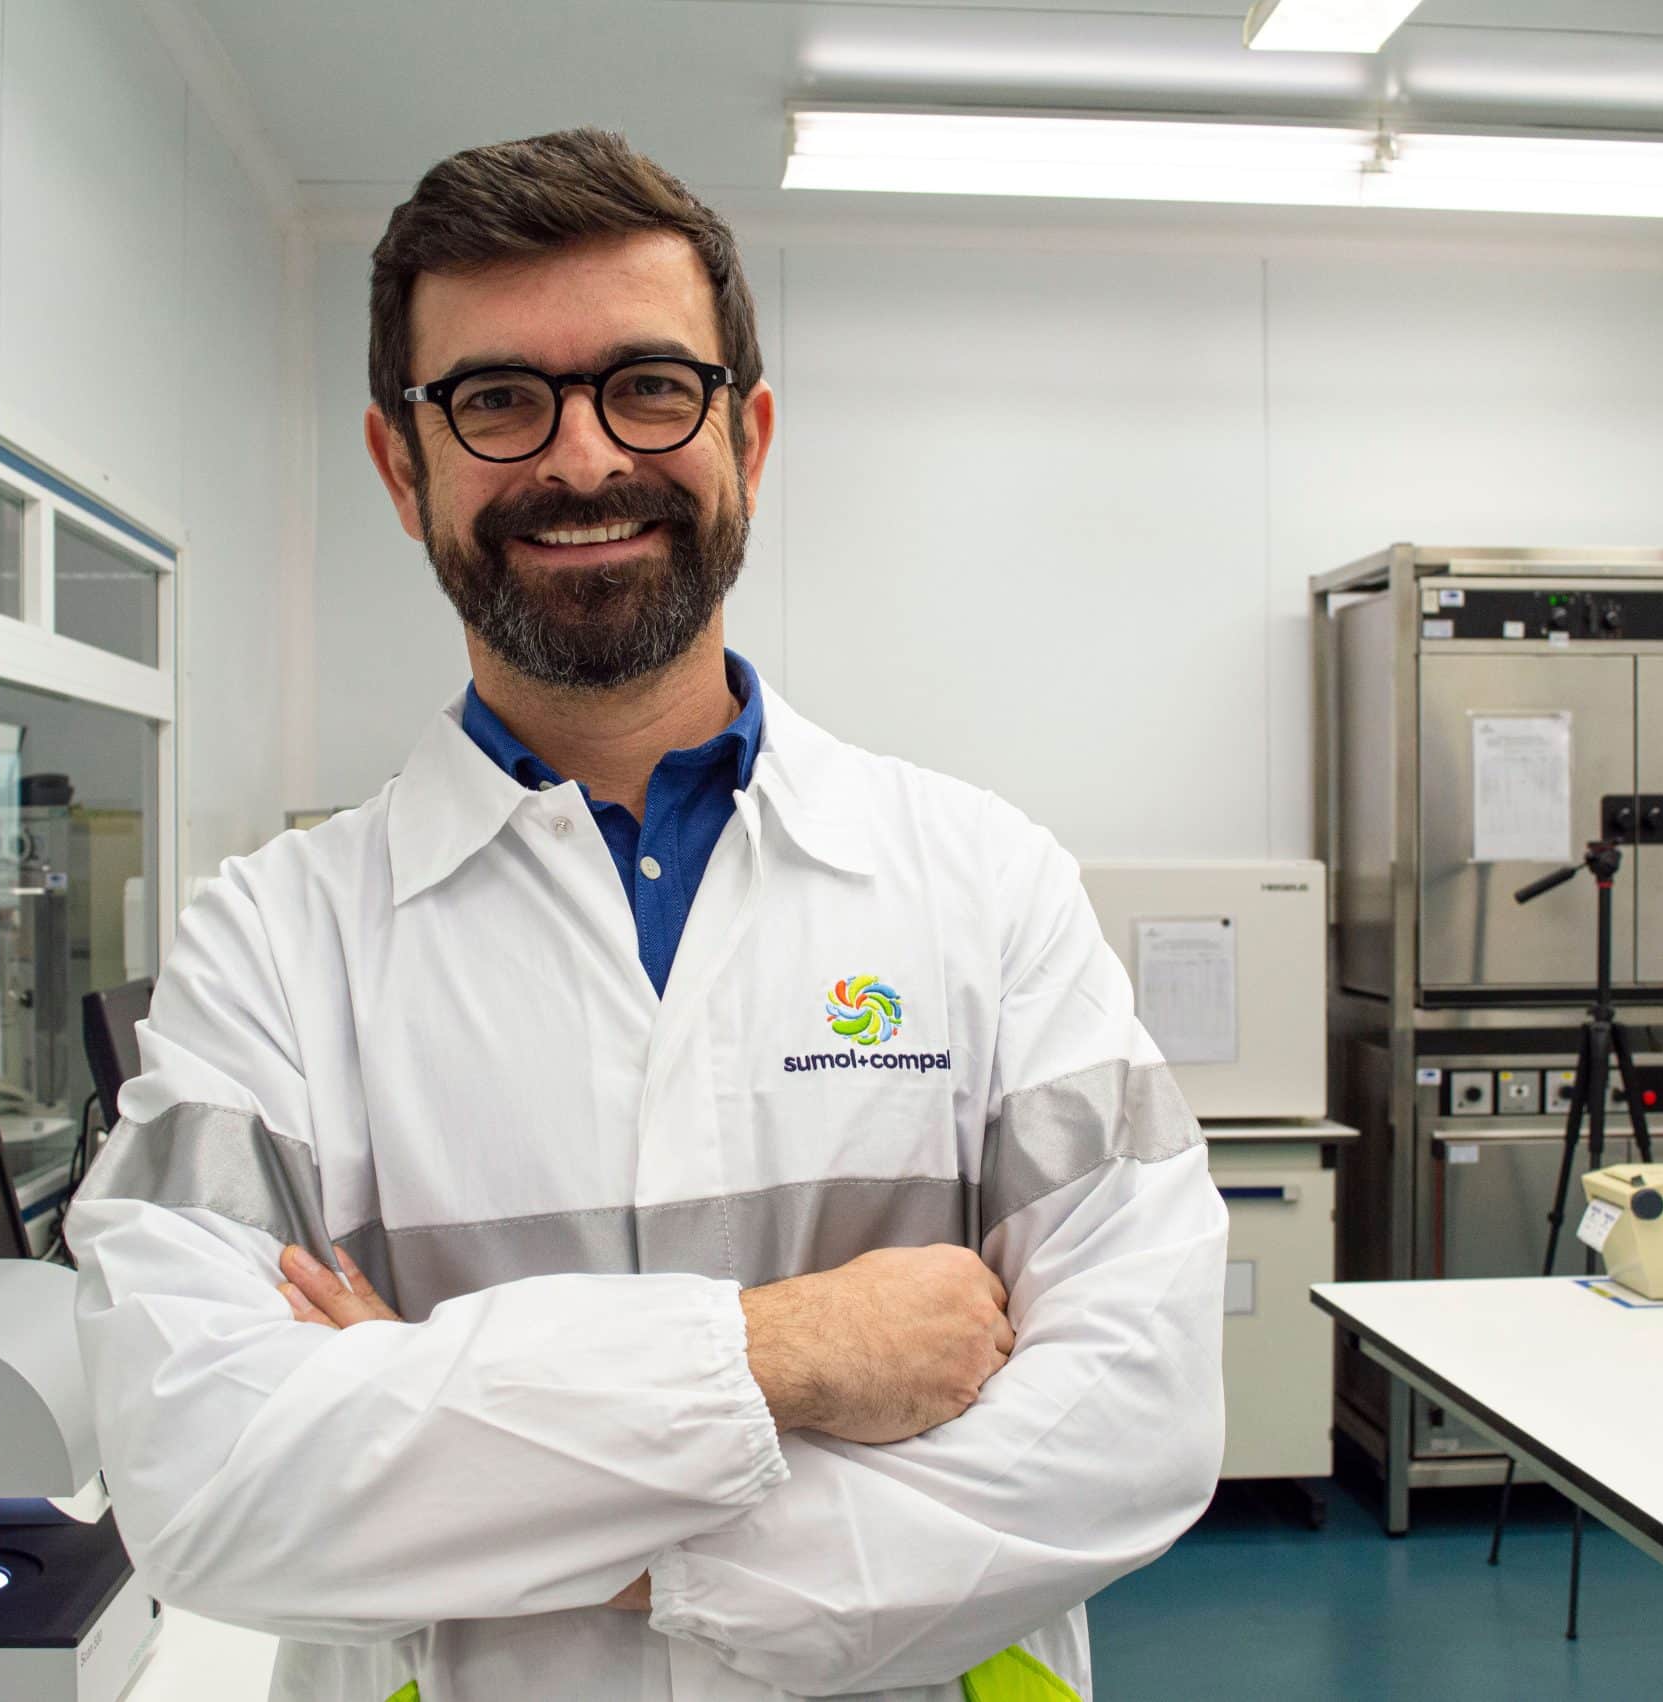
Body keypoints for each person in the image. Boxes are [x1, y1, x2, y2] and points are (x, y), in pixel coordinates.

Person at [66, 128, 1226, 1702]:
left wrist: (533, 1513)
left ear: (747, 433)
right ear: (402, 465)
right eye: (497, 400)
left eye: (649, 386)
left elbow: (1135, 1425)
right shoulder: (270, 946)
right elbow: (208, 1484)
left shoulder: (988, 885)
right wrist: (790, 1352)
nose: (583, 458)